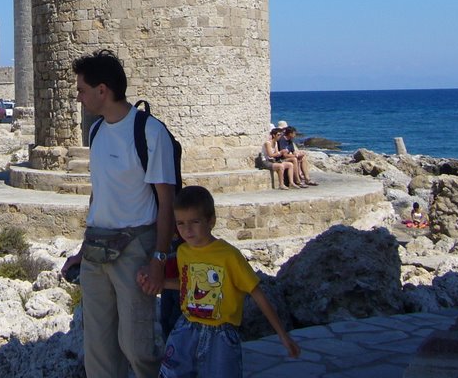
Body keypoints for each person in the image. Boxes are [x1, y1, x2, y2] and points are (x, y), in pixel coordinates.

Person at [61, 49, 176, 378]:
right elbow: (99, 195)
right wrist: (82, 252)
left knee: (137, 345)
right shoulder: (96, 132)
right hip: (97, 249)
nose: (79, 98)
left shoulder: (150, 133)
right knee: (98, 347)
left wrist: (158, 259)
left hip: (136, 250)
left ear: (102, 90)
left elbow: (166, 202)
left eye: (82, 90)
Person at [138, 186, 301, 377]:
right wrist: (160, 283)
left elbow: (256, 292)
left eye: (194, 222)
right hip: (187, 328)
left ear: (211, 221)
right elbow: (188, 285)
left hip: (220, 335)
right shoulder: (183, 252)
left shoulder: (229, 256)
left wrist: (282, 334)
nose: (187, 230)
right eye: (180, 223)